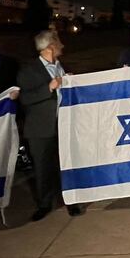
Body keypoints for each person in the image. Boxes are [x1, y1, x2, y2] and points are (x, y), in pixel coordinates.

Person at [18, 31, 82, 221]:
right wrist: (48, 88)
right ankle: (44, 203)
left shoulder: (62, 66)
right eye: (59, 42)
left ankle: (71, 200)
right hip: (41, 128)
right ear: (50, 46)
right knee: (43, 167)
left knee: (66, 164)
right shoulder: (29, 69)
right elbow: (25, 98)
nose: (62, 45)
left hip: (64, 126)